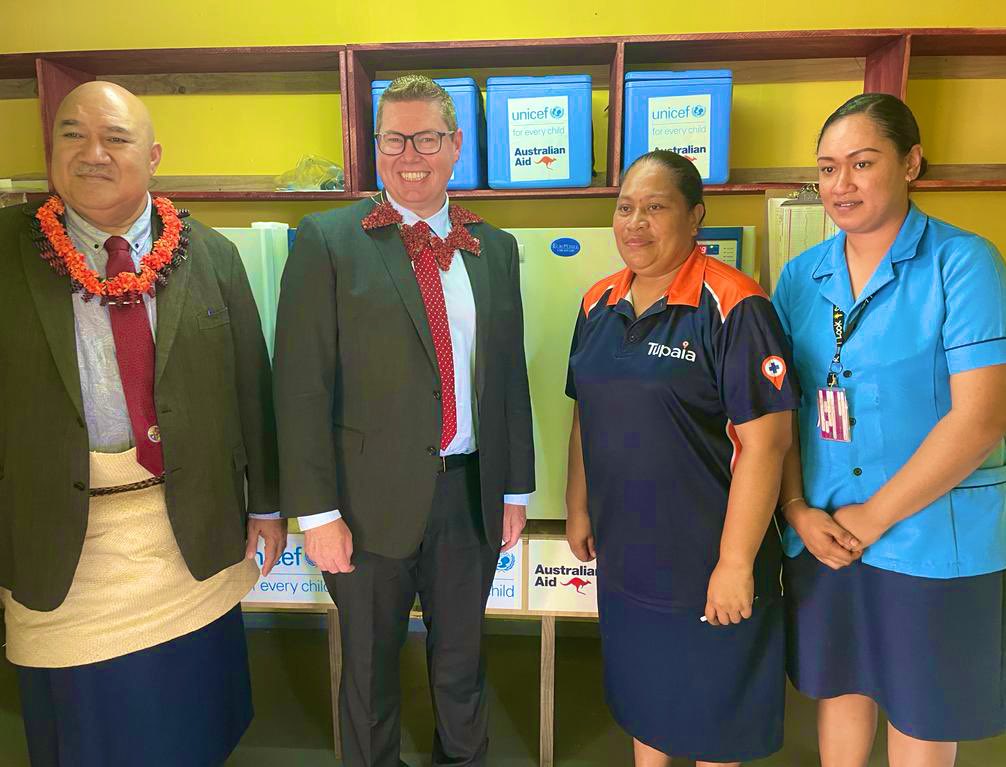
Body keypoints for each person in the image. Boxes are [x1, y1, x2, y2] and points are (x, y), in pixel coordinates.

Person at [0, 81, 286, 766]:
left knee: (193, 725)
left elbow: (254, 387)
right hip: (61, 546)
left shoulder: (212, 254)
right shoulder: (7, 252)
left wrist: (268, 506)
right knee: (87, 737)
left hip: (190, 536)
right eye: (72, 134)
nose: (92, 152)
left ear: (153, 156)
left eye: (115, 138)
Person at [273, 74, 535, 767]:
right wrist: (316, 512)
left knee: (462, 665)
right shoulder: (327, 240)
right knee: (367, 673)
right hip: (363, 503)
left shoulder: (496, 247)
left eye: (425, 137)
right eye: (393, 138)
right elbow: (299, 385)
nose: (408, 153)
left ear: (454, 146)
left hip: (470, 495)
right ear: (375, 146)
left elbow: (509, 375)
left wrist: (514, 489)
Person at [773, 93, 1006, 767]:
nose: (840, 184)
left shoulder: (963, 264)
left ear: (910, 163)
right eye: (827, 168)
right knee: (840, 687)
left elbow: (982, 415)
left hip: (932, 535)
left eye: (861, 163)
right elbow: (785, 405)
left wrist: (873, 517)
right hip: (824, 529)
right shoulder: (799, 276)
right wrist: (796, 509)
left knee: (921, 707)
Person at [564, 149, 799, 766]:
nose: (635, 222)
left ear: (696, 217)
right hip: (627, 556)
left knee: (712, 715)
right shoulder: (597, 303)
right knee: (647, 699)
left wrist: (735, 563)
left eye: (656, 207)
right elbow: (584, 412)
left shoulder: (735, 305)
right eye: (625, 207)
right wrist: (577, 506)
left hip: (707, 558)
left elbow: (767, 442)